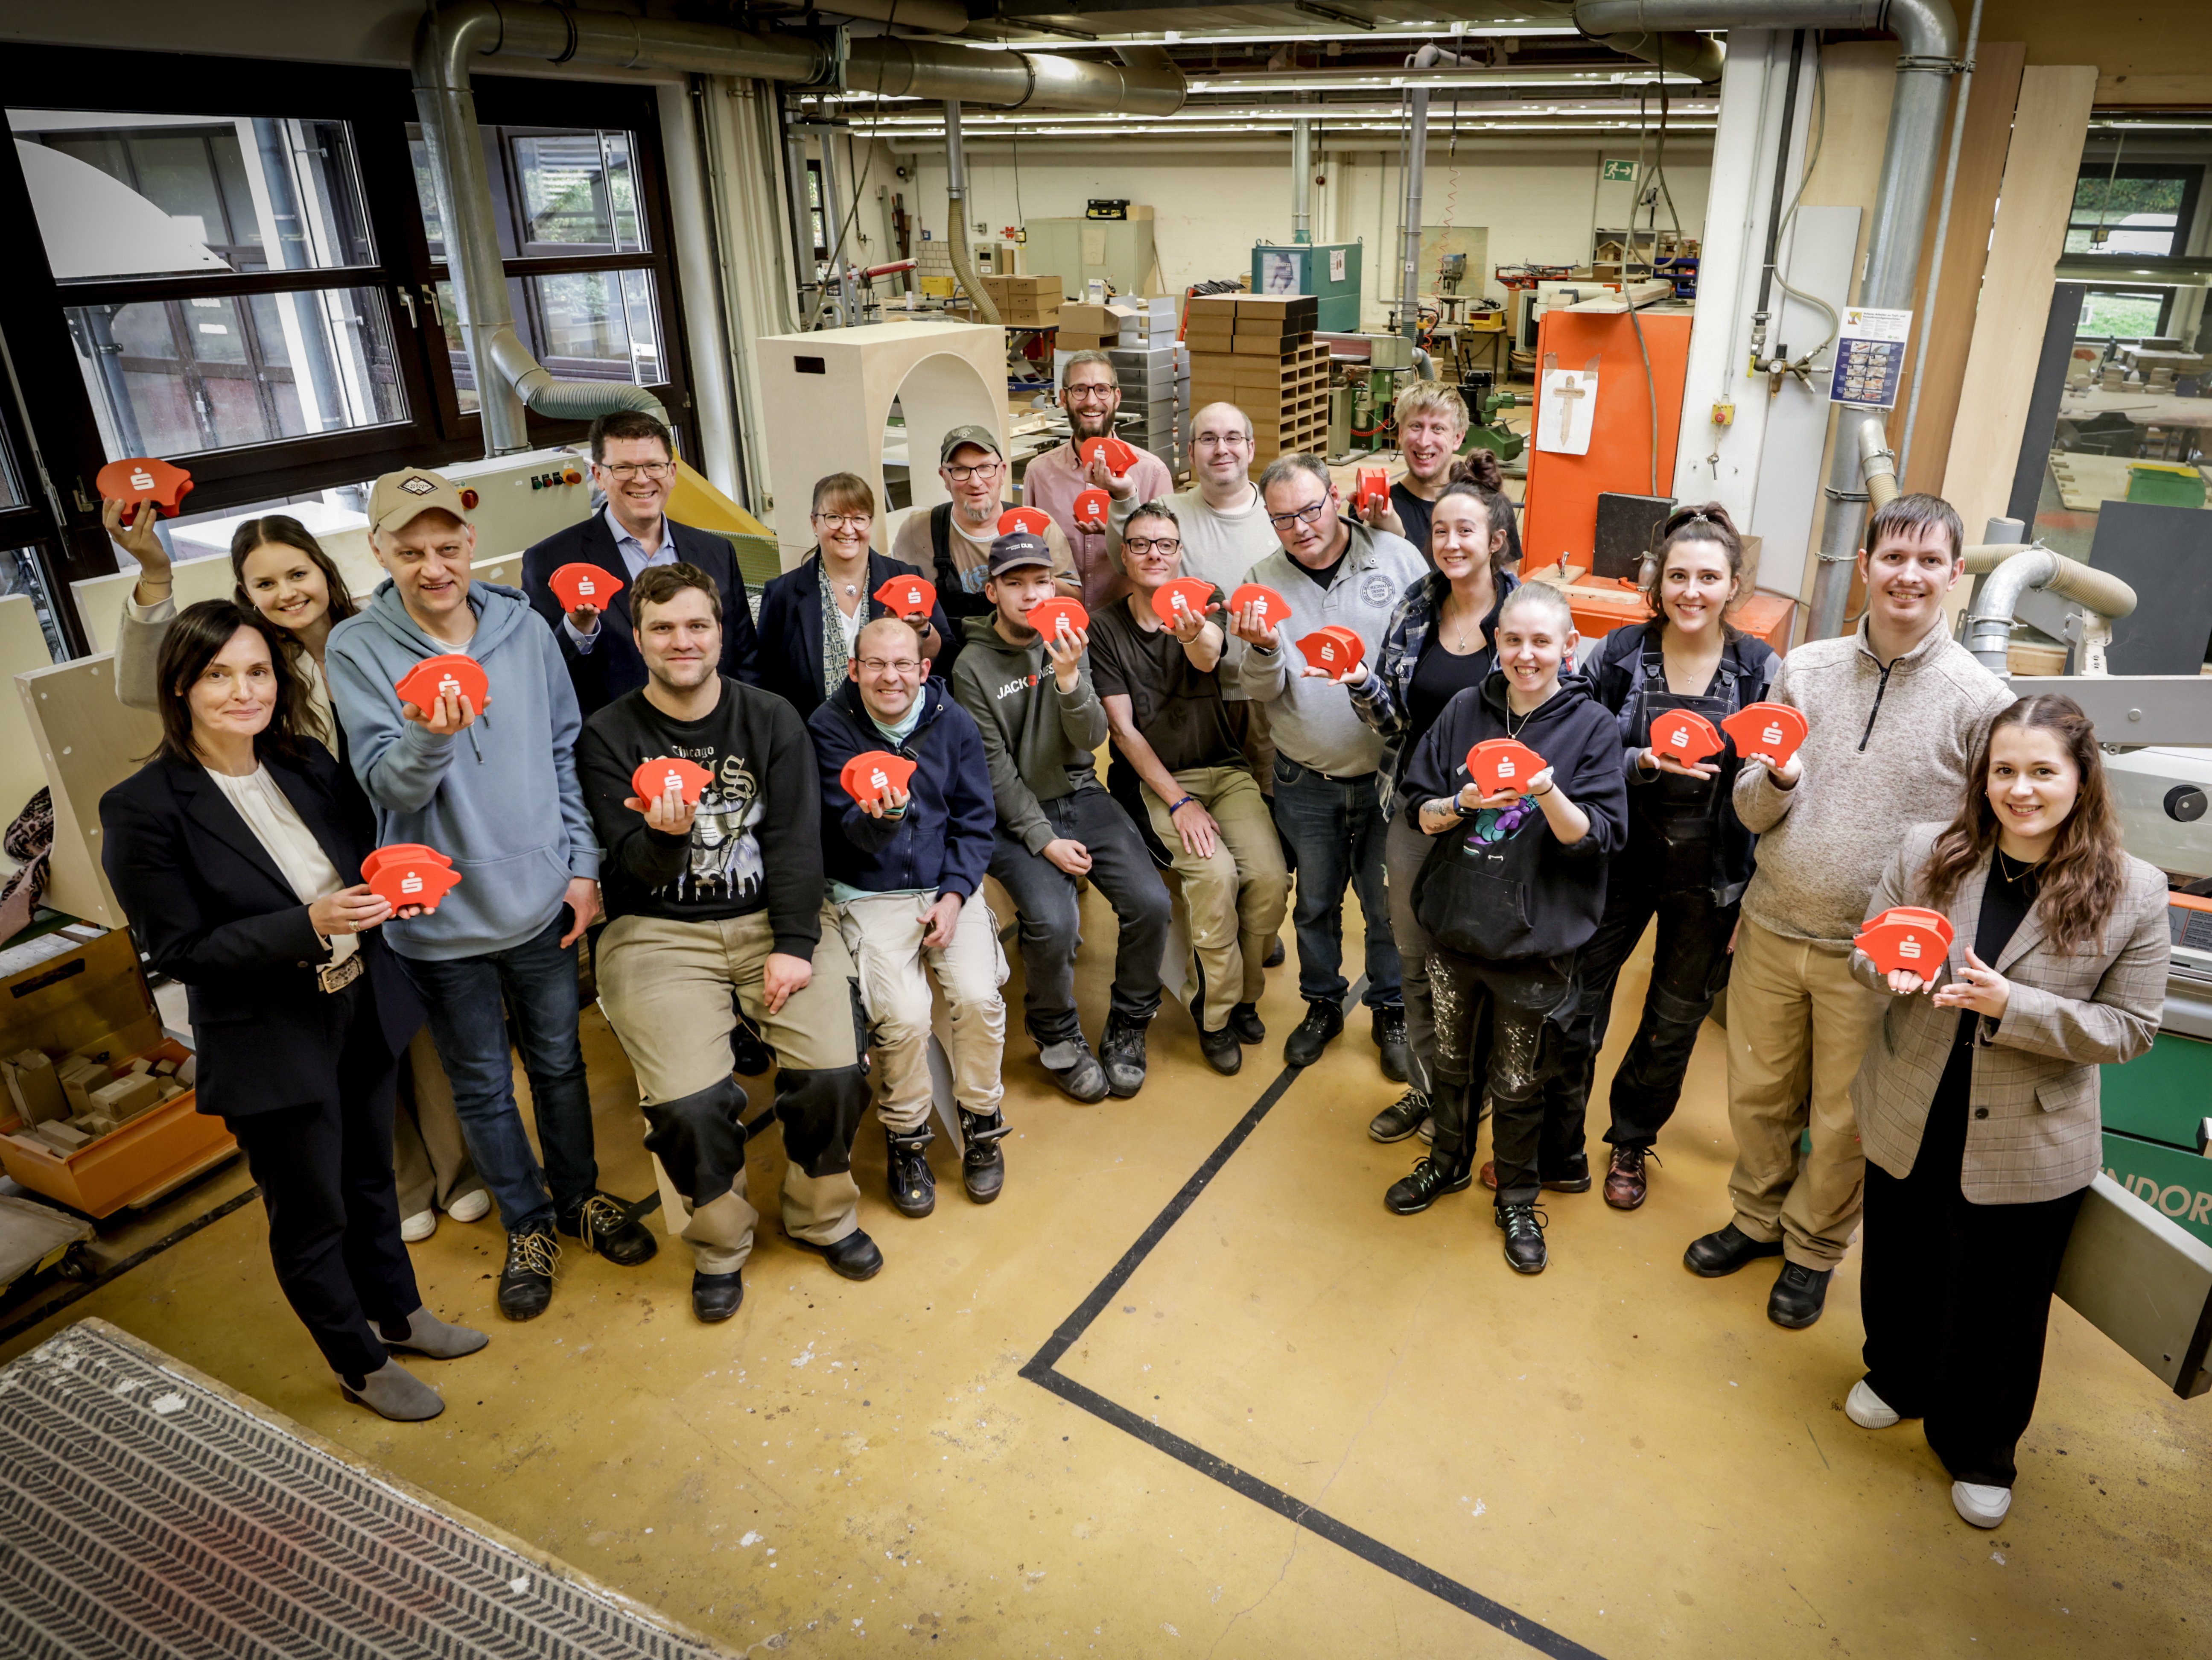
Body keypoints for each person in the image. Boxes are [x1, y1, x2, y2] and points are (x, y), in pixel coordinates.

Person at [100, 601, 485, 1421]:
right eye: (218, 674)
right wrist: (304, 924)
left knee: (372, 1182)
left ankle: (401, 1315)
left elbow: (360, 863)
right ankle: (357, 1359)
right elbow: (179, 950)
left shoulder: (306, 761)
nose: (244, 690)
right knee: (314, 1214)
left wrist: (395, 894)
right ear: (179, 686)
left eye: (258, 671)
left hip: (359, 1007)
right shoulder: (144, 807)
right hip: (271, 1039)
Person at [101, 499, 491, 1238]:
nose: (285, 594)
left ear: (325, 570)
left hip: (398, 849)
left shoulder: (373, 637)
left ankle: (458, 1167)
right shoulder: (250, 666)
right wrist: (153, 574)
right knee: (353, 1047)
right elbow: (145, 681)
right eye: (263, 584)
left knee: (412, 1030)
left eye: (297, 573)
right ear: (245, 597)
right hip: (305, 874)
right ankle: (405, 1182)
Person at [325, 467, 656, 1325]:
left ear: (472, 544)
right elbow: (387, 787)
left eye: (446, 547)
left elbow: (561, 749)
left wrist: (582, 869)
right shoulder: (358, 650)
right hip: (437, 918)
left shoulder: (522, 627)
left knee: (558, 1061)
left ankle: (580, 1197)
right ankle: (528, 1223)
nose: (434, 567)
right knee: (480, 1082)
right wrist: (431, 737)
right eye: (411, 551)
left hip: (542, 898)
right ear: (379, 552)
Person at [1687, 492, 2016, 1330]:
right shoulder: (1804, 669)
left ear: (1952, 576)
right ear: (1863, 566)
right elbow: (1750, 806)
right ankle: (1755, 1219)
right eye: (1891, 558)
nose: (1907, 575)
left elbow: (1981, 844)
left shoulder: (1978, 702)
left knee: (1841, 1118)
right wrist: (1780, 782)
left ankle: (1810, 1250)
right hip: (1770, 926)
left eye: (1927, 561)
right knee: (1756, 1093)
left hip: (1872, 958)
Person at [1844, 695, 2167, 1530]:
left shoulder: (2131, 892)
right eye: (2003, 772)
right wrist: (1886, 974)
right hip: (1912, 1098)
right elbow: (1865, 947)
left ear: (2079, 779)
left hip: (2028, 1129)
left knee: (1998, 1302)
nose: (2018, 790)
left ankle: (1980, 1446)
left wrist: (2009, 1004)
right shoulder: (1929, 853)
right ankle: (1894, 1375)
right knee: (1900, 1258)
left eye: (2040, 772)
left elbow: (2130, 1029)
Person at [578, 564, 878, 1318]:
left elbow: (796, 842)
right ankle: (720, 1242)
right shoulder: (608, 734)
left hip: (770, 917)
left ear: (719, 632)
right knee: (688, 1103)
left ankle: (822, 1214)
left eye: (697, 625)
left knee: (837, 1069)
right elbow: (629, 874)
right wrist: (664, 837)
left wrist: (795, 943)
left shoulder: (771, 716)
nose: (683, 641)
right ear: (638, 637)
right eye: (664, 628)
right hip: (656, 932)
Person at [1396, 582, 1628, 1273]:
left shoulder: (1592, 727)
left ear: (1567, 646)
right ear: (1496, 644)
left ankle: (1519, 1195)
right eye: (1513, 640)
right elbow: (1417, 806)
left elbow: (1598, 838)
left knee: (1520, 1078)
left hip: (1535, 942)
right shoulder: (1468, 708)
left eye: (1540, 641)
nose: (1526, 655)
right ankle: (1446, 1161)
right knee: (1450, 1060)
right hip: (1455, 923)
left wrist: (1545, 787)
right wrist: (1461, 801)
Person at [1552, 505, 1779, 1210]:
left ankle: (1629, 1136)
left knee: (1673, 1017)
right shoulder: (1618, 653)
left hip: (1709, 873)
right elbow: (1574, 748)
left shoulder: (1757, 668)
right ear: (1656, 580)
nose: (1691, 590)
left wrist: (1756, 893)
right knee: (1573, 1000)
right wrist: (1638, 759)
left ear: (1732, 584)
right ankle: (1553, 1133)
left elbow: (1775, 785)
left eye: (1708, 576)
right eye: (1677, 574)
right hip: (1615, 857)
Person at [951, 529, 1171, 1102]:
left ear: (1055, 586)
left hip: (1080, 792)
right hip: (1012, 816)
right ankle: (1056, 1033)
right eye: (1014, 583)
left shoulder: (1072, 637)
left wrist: (1070, 677)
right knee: (1054, 921)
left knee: (1150, 902)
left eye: (1039, 581)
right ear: (991, 591)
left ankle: (1129, 1022)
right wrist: (1045, 840)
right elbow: (993, 772)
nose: (1029, 594)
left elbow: (1094, 735)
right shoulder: (971, 666)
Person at [1341, 454, 1519, 1141]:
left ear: (1494, 539)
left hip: (1500, 822)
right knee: (1413, 960)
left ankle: (1473, 1095)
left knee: (1477, 966)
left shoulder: (1525, 612)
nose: (1449, 543)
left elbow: (1555, 716)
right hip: (1415, 807)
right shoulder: (1415, 605)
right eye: (1439, 530)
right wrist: (1362, 683)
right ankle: (1430, 1088)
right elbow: (1393, 723)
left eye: (1464, 531)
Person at [1233, 453, 1424, 1076]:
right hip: (1304, 779)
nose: (1302, 526)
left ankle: (1389, 1007)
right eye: (1283, 517)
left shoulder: (1395, 559)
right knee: (1314, 902)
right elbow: (1259, 691)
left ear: (1335, 496)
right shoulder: (1259, 583)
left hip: (1387, 779)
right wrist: (1262, 650)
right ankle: (1321, 1003)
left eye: (1311, 509)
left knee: (1385, 903)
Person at [809, 617, 1005, 1216]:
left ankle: (980, 1115)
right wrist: (882, 820)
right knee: (903, 1015)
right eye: (875, 665)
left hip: (946, 886)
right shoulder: (828, 728)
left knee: (977, 996)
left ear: (923, 670)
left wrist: (953, 897)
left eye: (902, 665)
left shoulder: (955, 723)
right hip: (869, 892)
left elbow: (975, 822)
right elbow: (845, 836)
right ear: (854, 670)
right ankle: (907, 1134)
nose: (889, 677)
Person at [1091, 502, 1289, 1076]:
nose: (1154, 553)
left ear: (1180, 553)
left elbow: (1208, 658)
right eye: (1141, 544)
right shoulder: (1104, 628)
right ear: (1123, 555)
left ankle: (1243, 994)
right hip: (1158, 780)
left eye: (1165, 544)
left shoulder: (1206, 606)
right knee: (1216, 876)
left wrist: (1196, 629)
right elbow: (1123, 733)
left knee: (1270, 879)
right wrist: (1178, 802)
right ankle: (1217, 1014)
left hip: (1224, 770)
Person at [520, 409, 761, 718]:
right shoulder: (552, 561)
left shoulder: (716, 552)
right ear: (598, 476)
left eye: (653, 466)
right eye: (623, 468)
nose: (642, 480)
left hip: (714, 734)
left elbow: (745, 659)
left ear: (672, 472)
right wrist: (577, 629)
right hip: (615, 748)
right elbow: (542, 675)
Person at [890, 426, 1079, 681]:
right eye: (960, 470)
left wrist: (1028, 566)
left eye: (985, 467)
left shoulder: (1039, 525)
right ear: (944, 477)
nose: (975, 481)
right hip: (947, 674)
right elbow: (902, 614)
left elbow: (1073, 602)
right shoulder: (918, 531)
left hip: (1027, 670)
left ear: (1002, 472)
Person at [756, 473, 951, 719]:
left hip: (899, 735)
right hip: (814, 741)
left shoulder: (907, 579)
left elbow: (945, 659)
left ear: (870, 523)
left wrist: (923, 630)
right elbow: (766, 682)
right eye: (834, 517)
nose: (848, 529)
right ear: (815, 523)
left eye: (859, 518)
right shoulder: (783, 594)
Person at [1021, 352, 1174, 611]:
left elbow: (1169, 564)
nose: (1091, 401)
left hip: (1127, 632)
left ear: (1116, 397)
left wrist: (1121, 534)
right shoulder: (1039, 474)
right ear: (1063, 399)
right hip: (1060, 626)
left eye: (1102, 390)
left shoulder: (1152, 473)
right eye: (1080, 390)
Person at [1104, 402, 1280, 596]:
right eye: (1208, 439)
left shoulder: (1283, 514)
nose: (1221, 449)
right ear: (1191, 453)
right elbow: (1124, 565)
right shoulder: (1167, 513)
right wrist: (1124, 496)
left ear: (1251, 449)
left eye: (1232, 438)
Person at [1355, 384, 1524, 567]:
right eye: (1416, 426)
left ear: (1458, 438)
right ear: (1401, 434)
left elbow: (1509, 584)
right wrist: (1377, 529)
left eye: (1438, 429)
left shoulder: (1490, 505)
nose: (1424, 441)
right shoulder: (1373, 508)